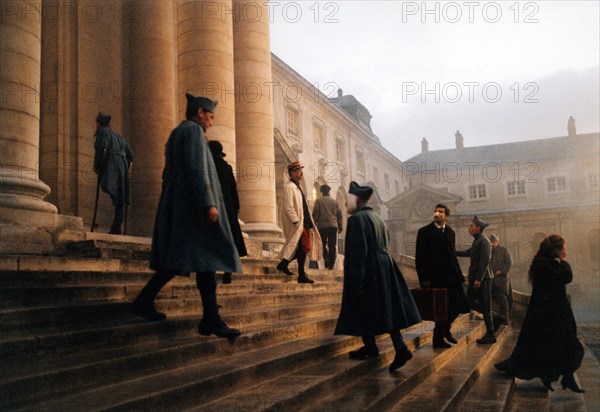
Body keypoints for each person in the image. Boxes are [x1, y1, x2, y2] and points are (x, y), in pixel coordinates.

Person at [131, 93, 242, 339]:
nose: (211, 122)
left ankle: (150, 302)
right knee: (203, 259)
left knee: (190, 261)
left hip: (185, 207)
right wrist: (208, 203)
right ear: (200, 112)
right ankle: (210, 319)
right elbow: (196, 167)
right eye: (210, 116)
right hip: (194, 209)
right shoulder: (192, 131)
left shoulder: (178, 132)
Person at [335, 181, 421, 372]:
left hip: (369, 269)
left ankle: (398, 348)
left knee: (364, 305)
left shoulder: (357, 220)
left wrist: (356, 281)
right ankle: (374, 346)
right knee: (386, 310)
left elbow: (358, 252)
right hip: (384, 268)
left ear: (357, 199)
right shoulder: (377, 217)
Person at [495, 235, 584, 393]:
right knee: (559, 343)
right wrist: (563, 262)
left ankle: (566, 377)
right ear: (555, 249)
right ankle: (557, 377)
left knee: (565, 342)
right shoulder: (546, 264)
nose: (565, 250)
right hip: (549, 312)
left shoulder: (546, 263)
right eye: (563, 247)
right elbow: (566, 277)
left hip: (555, 310)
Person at [415, 204, 470, 348]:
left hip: (452, 277)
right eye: (436, 211)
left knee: (459, 305)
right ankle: (438, 339)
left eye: (441, 212)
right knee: (440, 308)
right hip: (435, 277)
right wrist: (423, 279)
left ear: (446, 216)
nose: (437, 214)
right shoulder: (424, 232)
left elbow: (452, 255)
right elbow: (420, 257)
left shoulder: (450, 232)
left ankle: (445, 330)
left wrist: (459, 276)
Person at [208, 140, 248, 284]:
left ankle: (211, 270)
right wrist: (236, 208)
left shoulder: (208, 167)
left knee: (211, 241)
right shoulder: (227, 167)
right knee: (229, 241)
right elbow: (233, 189)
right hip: (228, 208)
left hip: (212, 207)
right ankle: (228, 272)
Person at [276, 161, 321, 284]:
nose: (301, 173)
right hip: (298, 223)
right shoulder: (289, 187)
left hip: (304, 221)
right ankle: (300, 274)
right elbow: (288, 206)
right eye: (299, 170)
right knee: (303, 247)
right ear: (293, 173)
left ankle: (284, 264)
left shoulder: (298, 186)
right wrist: (296, 221)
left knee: (303, 247)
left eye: (300, 170)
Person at [457, 216, 496, 344]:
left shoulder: (484, 241)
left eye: (471, 226)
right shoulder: (477, 241)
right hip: (476, 279)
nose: (469, 227)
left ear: (478, 228)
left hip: (483, 279)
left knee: (485, 306)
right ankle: (495, 318)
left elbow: (485, 261)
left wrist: (479, 279)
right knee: (469, 302)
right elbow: (468, 252)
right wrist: (452, 251)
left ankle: (490, 334)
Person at [93, 112, 133, 235]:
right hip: (123, 167)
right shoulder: (119, 136)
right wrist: (125, 166)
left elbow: (102, 148)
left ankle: (116, 228)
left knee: (108, 187)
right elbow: (130, 154)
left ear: (99, 123)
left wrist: (97, 166)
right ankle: (116, 228)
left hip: (112, 165)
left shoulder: (102, 132)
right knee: (121, 199)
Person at [312, 184, 343, 270]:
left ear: (321, 192)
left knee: (322, 244)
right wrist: (340, 227)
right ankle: (331, 265)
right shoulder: (335, 202)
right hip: (333, 226)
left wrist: (314, 225)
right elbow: (339, 216)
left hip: (322, 226)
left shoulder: (318, 201)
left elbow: (315, 214)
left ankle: (327, 259)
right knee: (332, 245)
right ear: (329, 191)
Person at [490, 234, 513, 325]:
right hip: (491, 278)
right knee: (491, 297)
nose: (492, 244)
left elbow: (509, 263)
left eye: (494, 242)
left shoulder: (504, 250)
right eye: (491, 242)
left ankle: (505, 318)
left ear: (497, 242)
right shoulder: (488, 251)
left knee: (503, 298)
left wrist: (502, 271)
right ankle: (496, 318)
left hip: (502, 280)